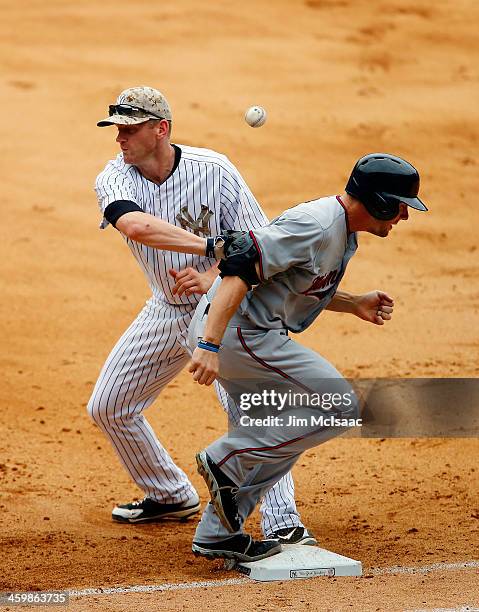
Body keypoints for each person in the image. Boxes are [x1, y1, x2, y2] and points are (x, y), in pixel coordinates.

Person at [87, 86, 315, 545]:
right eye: (116, 130)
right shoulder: (114, 178)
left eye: (129, 130)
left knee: (245, 407)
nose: (120, 139)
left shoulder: (215, 170)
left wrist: (213, 274)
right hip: (166, 309)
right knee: (110, 406)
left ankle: (282, 520)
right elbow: (136, 225)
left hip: (228, 306)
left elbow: (259, 241)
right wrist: (212, 248)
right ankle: (169, 494)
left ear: (161, 129)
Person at [186, 153, 429, 562]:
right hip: (237, 333)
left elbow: (297, 281)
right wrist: (209, 345)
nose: (404, 216)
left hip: (248, 334)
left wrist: (354, 303)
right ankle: (223, 458)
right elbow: (241, 262)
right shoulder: (315, 224)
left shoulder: (341, 230)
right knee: (339, 404)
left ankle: (218, 532)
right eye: (401, 205)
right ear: (379, 202)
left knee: (289, 431)